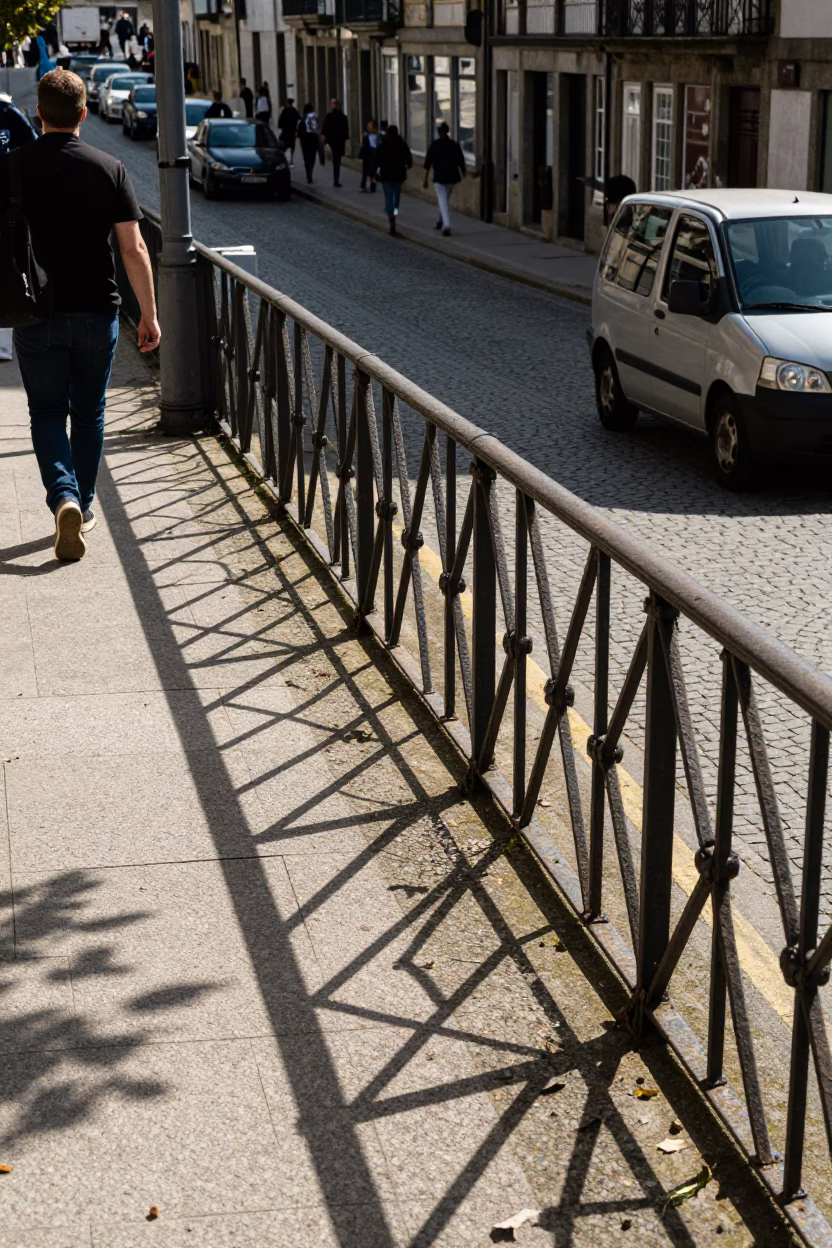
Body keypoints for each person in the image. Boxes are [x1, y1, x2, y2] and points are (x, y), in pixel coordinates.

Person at [0, 69, 160, 561]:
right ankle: (84, 506)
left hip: (35, 312)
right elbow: (133, 248)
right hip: (97, 310)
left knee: (46, 412)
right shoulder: (109, 166)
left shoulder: (12, 167)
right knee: (89, 413)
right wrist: (150, 315)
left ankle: (63, 497)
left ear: (38, 114)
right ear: (84, 114)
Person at [423, 121, 466, 237]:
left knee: (443, 201)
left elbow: (427, 163)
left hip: (439, 177)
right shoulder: (454, 144)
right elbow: (461, 161)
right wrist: (464, 173)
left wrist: (425, 178)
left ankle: (446, 225)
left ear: (439, 132)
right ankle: (439, 221)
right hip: (452, 177)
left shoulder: (435, 145)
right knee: (444, 201)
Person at [374, 123, 412, 236]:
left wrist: (373, 173)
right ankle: (394, 213)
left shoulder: (383, 144)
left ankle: (390, 215)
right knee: (396, 198)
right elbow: (408, 157)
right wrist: (408, 165)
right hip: (398, 175)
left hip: (386, 175)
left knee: (388, 197)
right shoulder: (401, 143)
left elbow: (376, 159)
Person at [321, 98, 348, 187]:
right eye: (332, 104)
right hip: (334, 142)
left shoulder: (340, 117)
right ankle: (336, 179)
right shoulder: (333, 116)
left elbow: (345, 130)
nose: (334, 106)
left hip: (336, 142)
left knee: (336, 161)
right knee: (336, 161)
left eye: (334, 104)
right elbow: (324, 129)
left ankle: (336, 179)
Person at [297, 103, 319, 185]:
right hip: (312, 140)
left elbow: (299, 133)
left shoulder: (303, 120)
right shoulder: (313, 118)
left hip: (306, 141)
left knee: (307, 159)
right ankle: (309, 174)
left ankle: (309, 174)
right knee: (311, 158)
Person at [277, 97, 300, 165]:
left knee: (283, 145)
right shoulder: (294, 110)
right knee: (291, 146)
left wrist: (281, 126)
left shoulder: (285, 111)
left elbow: (280, 121)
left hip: (286, 131)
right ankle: (291, 160)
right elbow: (299, 119)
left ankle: (284, 159)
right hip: (292, 132)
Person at [359, 118, 378, 192]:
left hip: (374, 154)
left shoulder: (377, 134)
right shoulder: (366, 134)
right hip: (367, 154)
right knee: (365, 171)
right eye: (369, 125)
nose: (370, 127)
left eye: (371, 125)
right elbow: (363, 144)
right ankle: (363, 186)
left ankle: (372, 187)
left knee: (373, 172)